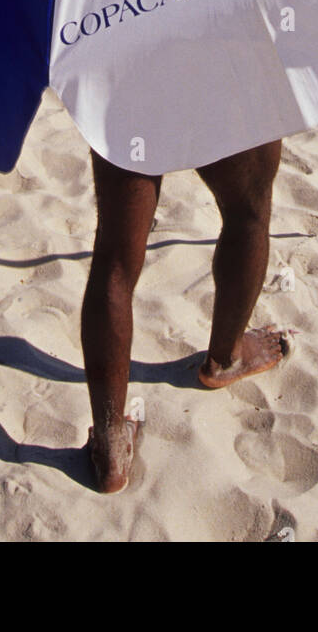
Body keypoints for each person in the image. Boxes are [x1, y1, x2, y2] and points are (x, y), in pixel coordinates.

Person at [81, 138, 291, 493]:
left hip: (133, 91)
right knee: (247, 213)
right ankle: (225, 358)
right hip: (225, 85)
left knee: (115, 256)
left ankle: (111, 445)